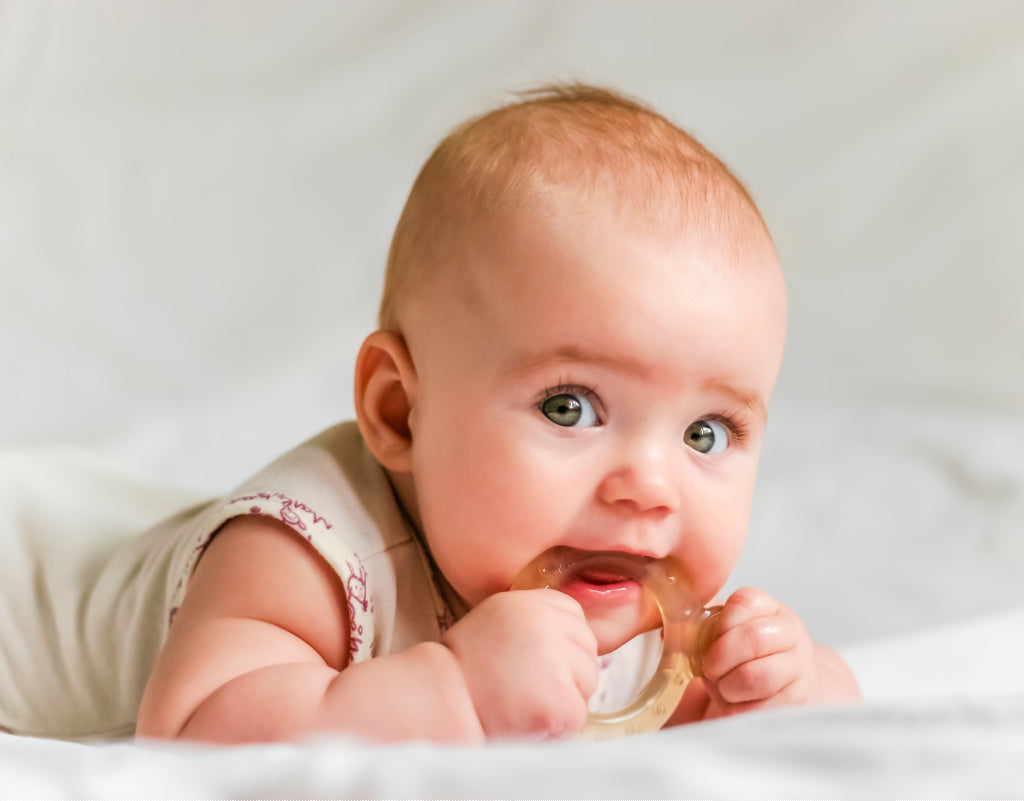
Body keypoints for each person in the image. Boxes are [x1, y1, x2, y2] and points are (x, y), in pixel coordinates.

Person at [1, 83, 860, 744]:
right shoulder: (304, 552)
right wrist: (455, 686)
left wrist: (791, 688)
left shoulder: (619, 586)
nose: (649, 486)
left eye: (707, 432)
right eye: (571, 406)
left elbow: (709, 715)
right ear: (400, 411)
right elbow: (191, 730)